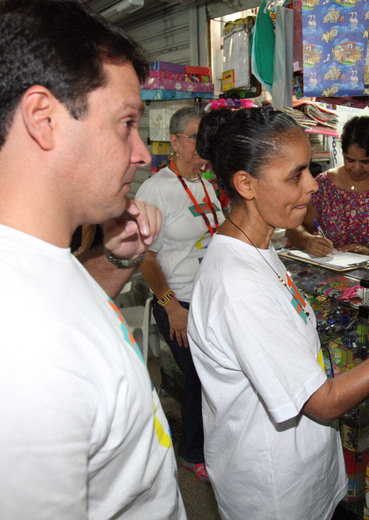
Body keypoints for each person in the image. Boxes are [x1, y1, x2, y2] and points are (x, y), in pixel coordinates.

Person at [0, 1, 186, 518]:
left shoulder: (19, 258)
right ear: (43, 118)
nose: (142, 153)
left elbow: (64, 330)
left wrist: (113, 264)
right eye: (126, 124)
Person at [187, 107, 369, 520]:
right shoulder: (239, 287)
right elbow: (322, 402)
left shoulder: (259, 249)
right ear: (245, 184)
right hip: (275, 492)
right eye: (295, 175)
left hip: (302, 472)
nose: (312, 186)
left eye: (310, 170)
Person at [135, 106, 224, 484]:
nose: (202, 146)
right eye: (194, 137)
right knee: (199, 377)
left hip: (209, 299)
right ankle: (191, 452)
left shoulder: (206, 183)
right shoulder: (156, 190)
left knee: (213, 376)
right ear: (173, 141)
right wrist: (170, 306)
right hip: (179, 302)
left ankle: (209, 445)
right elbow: (144, 257)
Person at [286, 116, 369, 257]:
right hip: (335, 273)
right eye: (349, 160)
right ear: (342, 153)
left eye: (366, 161)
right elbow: (293, 227)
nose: (356, 168)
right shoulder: (324, 186)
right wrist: (308, 241)